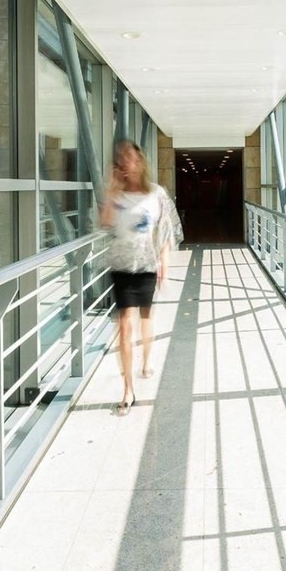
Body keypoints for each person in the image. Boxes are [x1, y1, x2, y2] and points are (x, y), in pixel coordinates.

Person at [99, 140, 182, 416]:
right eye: (122, 158)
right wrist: (111, 191)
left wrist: (165, 263)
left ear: (141, 161)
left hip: (146, 264)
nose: (127, 163)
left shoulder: (156, 194)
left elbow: (166, 229)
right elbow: (105, 223)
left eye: (131, 157)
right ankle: (128, 390)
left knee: (145, 317)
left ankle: (146, 360)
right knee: (124, 327)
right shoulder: (116, 194)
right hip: (121, 266)